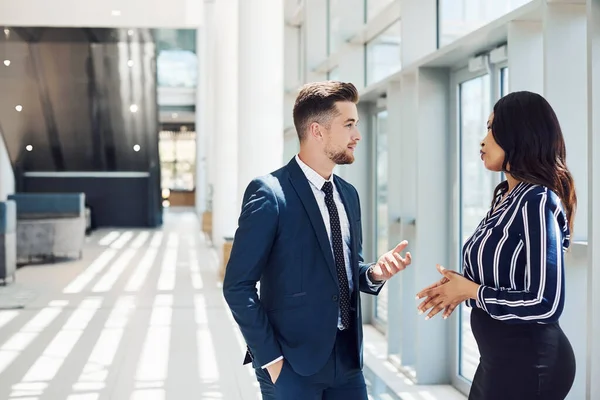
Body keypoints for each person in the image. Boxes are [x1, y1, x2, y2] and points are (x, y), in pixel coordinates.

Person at [223, 81, 412, 399]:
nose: (357, 136)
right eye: (349, 124)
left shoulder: (348, 195)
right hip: (291, 365)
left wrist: (374, 272)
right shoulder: (270, 194)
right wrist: (270, 359)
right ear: (317, 131)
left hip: (348, 360)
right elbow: (237, 286)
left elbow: (343, 268)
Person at [415, 91, 576, 400]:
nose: (483, 140)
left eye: (491, 128)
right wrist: (458, 288)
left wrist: (471, 291)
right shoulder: (506, 196)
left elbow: (547, 303)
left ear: (520, 134)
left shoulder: (536, 200)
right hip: (499, 360)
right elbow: (502, 280)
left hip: (531, 363)